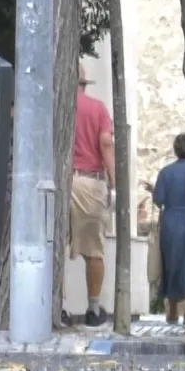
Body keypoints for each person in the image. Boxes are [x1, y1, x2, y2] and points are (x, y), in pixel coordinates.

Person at [69, 62, 115, 326]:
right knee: (94, 250)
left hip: (63, 182)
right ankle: (94, 309)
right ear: (83, 85)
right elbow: (105, 143)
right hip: (90, 183)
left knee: (56, 246)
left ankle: (57, 306)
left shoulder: (56, 105)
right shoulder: (97, 109)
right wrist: (114, 179)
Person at [152, 133, 185, 325]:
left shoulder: (166, 172)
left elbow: (158, 199)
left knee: (171, 263)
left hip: (171, 220)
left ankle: (172, 311)